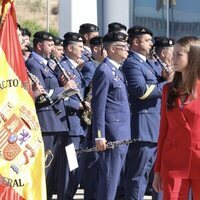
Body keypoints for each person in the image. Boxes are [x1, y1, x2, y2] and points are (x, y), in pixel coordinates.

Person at [122, 26, 171, 200]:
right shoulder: (131, 63)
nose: (151, 43)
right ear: (135, 42)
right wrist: (167, 83)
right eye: (147, 40)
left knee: (158, 176)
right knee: (138, 176)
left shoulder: (149, 63)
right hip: (142, 128)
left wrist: (165, 78)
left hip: (156, 126)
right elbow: (141, 91)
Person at [25, 31, 76, 200]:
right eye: (50, 45)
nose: (53, 48)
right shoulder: (33, 64)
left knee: (53, 170)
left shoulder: (48, 64)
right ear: (39, 46)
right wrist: (64, 89)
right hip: (46, 122)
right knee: (45, 168)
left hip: (57, 121)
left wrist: (63, 85)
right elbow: (41, 95)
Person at [153, 36, 200, 200]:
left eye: (178, 54)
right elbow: (163, 131)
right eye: (173, 54)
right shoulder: (168, 90)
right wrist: (157, 170)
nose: (173, 58)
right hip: (173, 161)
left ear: (193, 57)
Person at [91, 31, 131, 200]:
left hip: (122, 133)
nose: (127, 50)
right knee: (109, 181)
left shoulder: (117, 71)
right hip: (111, 134)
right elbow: (98, 106)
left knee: (116, 182)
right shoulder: (104, 71)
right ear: (113, 48)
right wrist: (99, 136)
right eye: (124, 47)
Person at [56, 32, 89, 200]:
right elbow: (60, 98)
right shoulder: (62, 68)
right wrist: (81, 105)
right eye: (80, 46)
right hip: (71, 125)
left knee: (76, 167)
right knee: (70, 166)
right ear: (70, 48)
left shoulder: (75, 68)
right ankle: (65, 196)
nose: (83, 50)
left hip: (79, 125)